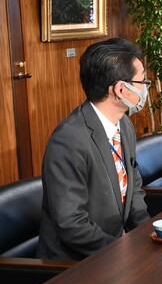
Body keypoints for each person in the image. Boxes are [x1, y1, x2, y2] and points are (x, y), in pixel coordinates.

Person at [38, 38, 150, 261]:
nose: (145, 88)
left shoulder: (124, 124)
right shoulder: (68, 140)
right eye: (142, 81)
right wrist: (124, 251)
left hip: (118, 251)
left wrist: (147, 236)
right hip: (76, 263)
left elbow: (134, 189)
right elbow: (72, 224)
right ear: (120, 89)